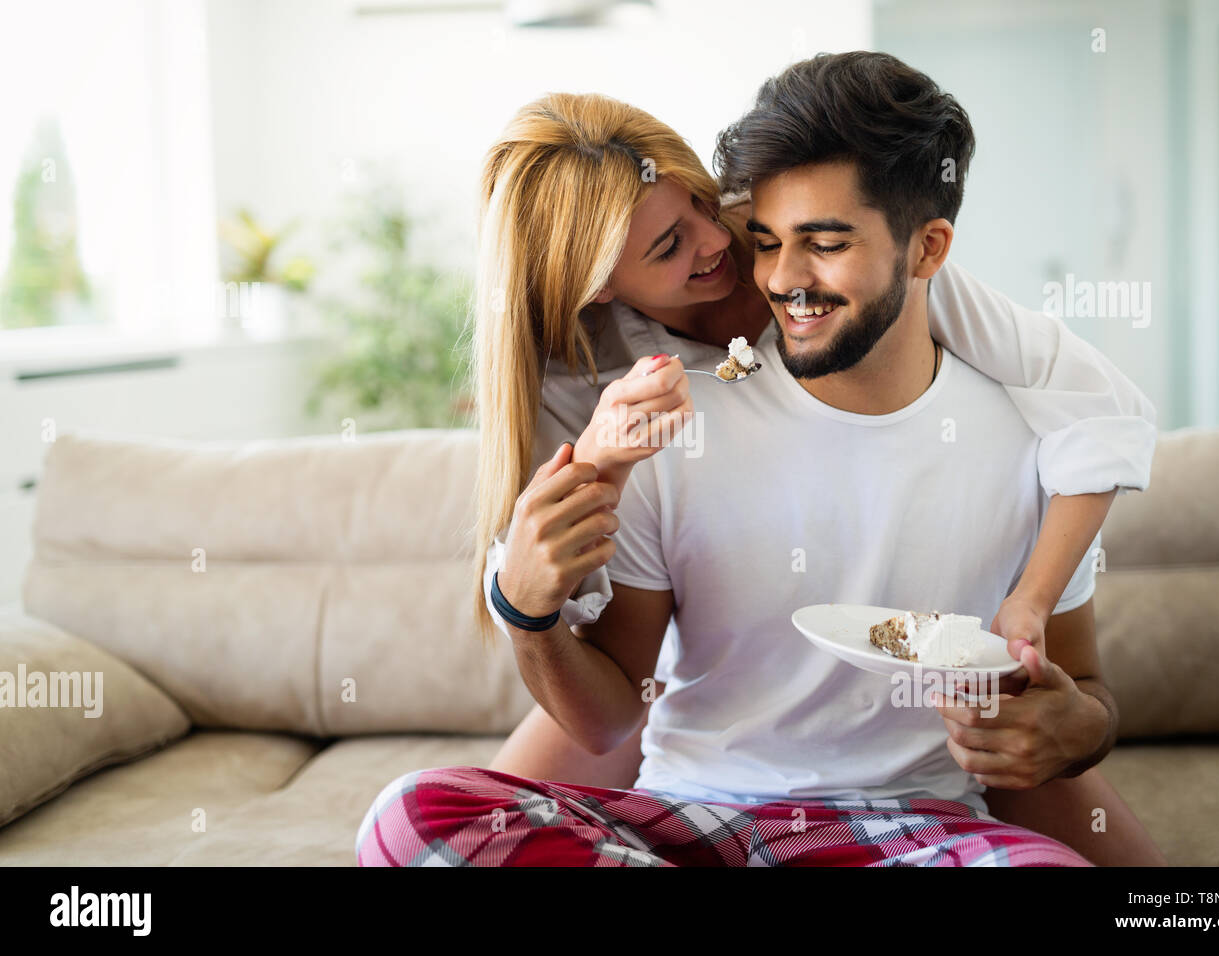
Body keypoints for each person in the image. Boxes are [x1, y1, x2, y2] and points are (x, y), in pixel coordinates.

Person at [357, 54, 1166, 865]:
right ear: (599, 287)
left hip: (909, 829)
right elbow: (604, 698)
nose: (753, 263)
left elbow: (1100, 420)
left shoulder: (1015, 419)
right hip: (703, 810)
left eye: (717, 214)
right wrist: (527, 603)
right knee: (415, 816)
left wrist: (1060, 689)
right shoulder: (638, 414)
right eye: (684, 245)